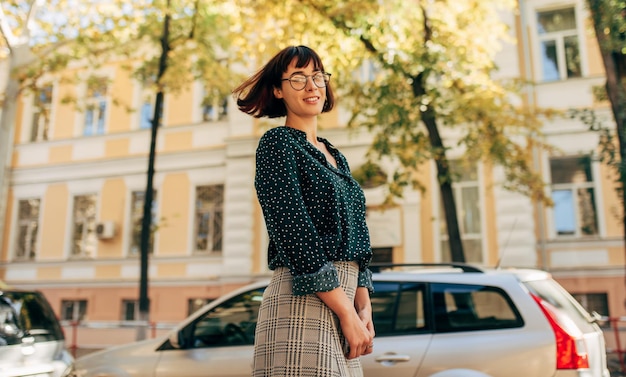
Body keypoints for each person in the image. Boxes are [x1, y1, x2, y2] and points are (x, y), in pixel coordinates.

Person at [233, 45, 375, 377]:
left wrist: (363, 305)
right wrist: (346, 312)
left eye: (317, 77)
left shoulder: (335, 155)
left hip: (344, 302)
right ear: (278, 90)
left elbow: (359, 236)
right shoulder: (277, 144)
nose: (311, 86)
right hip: (304, 299)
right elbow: (295, 234)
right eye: (298, 79)